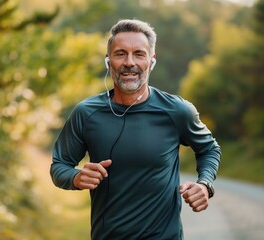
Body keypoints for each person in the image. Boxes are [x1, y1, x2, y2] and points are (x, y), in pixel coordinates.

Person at [50, 19, 221, 240]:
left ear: (151, 61)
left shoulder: (177, 111)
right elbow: (59, 165)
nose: (129, 62)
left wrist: (205, 184)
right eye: (120, 53)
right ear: (108, 61)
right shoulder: (86, 113)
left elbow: (209, 149)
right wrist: (76, 177)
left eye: (139, 54)